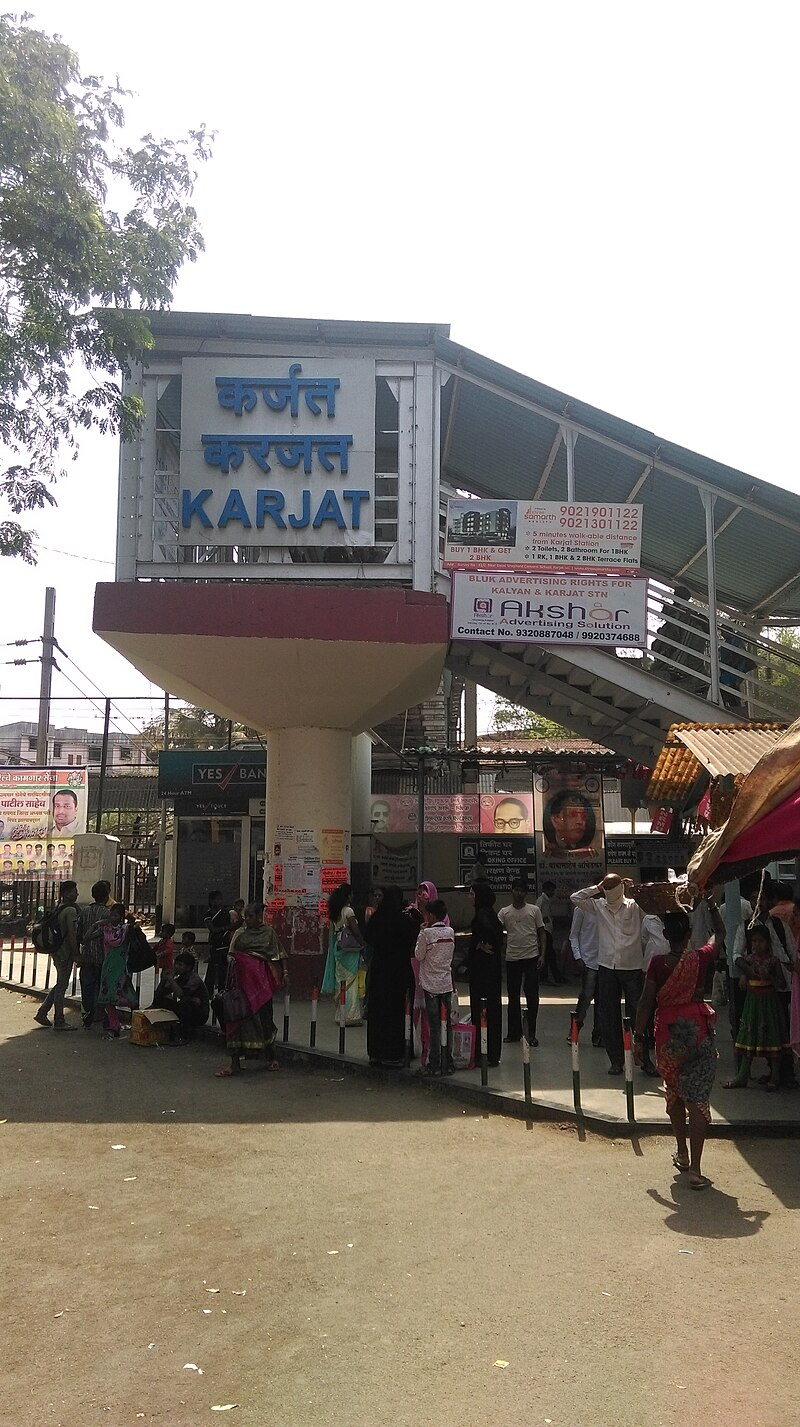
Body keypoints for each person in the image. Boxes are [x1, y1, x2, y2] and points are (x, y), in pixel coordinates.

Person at [634, 910, 718, 1189]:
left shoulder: (658, 964)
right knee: (697, 1099)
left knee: (675, 1092)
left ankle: (681, 1152)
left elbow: (646, 1001)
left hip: (667, 1036)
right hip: (698, 1033)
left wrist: (637, 1037)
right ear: (689, 934)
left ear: (666, 935)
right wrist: (712, 906)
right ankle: (695, 1168)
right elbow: (721, 935)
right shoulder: (701, 957)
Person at [570, 876, 645, 1075]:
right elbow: (575, 898)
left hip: (632, 966)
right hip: (606, 967)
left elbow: (652, 907)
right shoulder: (599, 906)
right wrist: (597, 888)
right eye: (606, 888)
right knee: (608, 1015)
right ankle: (617, 1060)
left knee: (638, 1015)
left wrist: (635, 890)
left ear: (620, 887)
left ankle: (643, 1057)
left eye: (612, 887)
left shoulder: (634, 907)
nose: (609, 891)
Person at [216, 903, 287, 1077]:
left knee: (265, 1020)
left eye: (250, 916)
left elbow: (280, 954)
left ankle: (272, 1058)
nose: (247, 920)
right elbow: (231, 955)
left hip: (261, 985)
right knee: (237, 1020)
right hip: (241, 986)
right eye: (245, 916)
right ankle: (234, 1063)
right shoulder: (240, 934)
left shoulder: (269, 933)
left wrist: (284, 973)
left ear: (259, 916)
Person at [724, 923, 788, 1092]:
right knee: (747, 1037)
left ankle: (774, 1077)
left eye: (760, 941)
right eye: (754, 941)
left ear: (768, 942)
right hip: (752, 1003)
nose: (756, 945)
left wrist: (772, 978)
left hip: (768, 1003)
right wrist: (744, 978)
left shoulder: (773, 961)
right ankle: (742, 1075)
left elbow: (781, 983)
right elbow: (742, 982)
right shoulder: (749, 960)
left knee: (773, 1037)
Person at [363, 886, 417, 1067]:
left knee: (378, 1011)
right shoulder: (404, 921)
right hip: (398, 971)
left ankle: (376, 1053)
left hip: (379, 971)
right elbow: (413, 937)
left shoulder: (377, 919)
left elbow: (368, 938)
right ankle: (394, 1052)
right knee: (396, 1012)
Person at [498, 881, 545, 1045]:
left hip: (532, 957)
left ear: (526, 893)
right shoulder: (504, 912)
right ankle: (514, 1033)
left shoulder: (534, 910)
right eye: (516, 890)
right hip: (512, 959)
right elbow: (497, 932)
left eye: (522, 890)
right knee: (512, 997)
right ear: (512, 891)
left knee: (532, 996)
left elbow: (541, 932)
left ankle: (531, 1033)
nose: (519, 893)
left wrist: (542, 954)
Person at [414, 898, 456, 1075]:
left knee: (434, 1025)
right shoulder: (450, 932)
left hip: (431, 985)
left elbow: (418, 955)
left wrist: (421, 933)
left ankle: (435, 1063)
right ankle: (449, 1061)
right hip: (446, 984)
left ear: (430, 915)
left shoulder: (426, 934)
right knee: (447, 1024)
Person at [33, 880, 80, 1031]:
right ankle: (59, 1019)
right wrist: (76, 952)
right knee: (62, 986)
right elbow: (72, 934)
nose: (77, 894)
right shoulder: (70, 911)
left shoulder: (59, 907)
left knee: (60, 983)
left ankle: (42, 1012)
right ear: (66, 894)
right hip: (64, 952)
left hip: (57, 951)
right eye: (74, 891)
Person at [469, 882, 504, 1067]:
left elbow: (489, 933)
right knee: (492, 1010)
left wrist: (480, 944)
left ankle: (482, 1051)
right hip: (491, 972)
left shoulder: (482, 915)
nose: (470, 897)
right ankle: (491, 1052)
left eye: (472, 893)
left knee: (482, 1010)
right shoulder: (491, 914)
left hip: (482, 973)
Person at [321, 881, 364, 1025]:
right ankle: (351, 1015)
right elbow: (355, 930)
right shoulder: (348, 911)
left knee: (341, 981)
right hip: (350, 949)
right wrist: (363, 943)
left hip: (338, 948)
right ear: (348, 896)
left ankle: (341, 1014)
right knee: (351, 981)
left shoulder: (335, 911)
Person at [96, 903, 137, 1040]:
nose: (112, 917)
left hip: (120, 967)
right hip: (108, 967)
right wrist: (97, 924)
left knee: (123, 996)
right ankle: (115, 1026)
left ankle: (132, 1020)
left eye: (116, 915)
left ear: (121, 916)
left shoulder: (127, 929)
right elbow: (87, 937)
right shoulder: (106, 929)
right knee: (108, 999)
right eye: (111, 914)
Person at [152, 951, 210, 1042]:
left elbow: (181, 995)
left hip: (199, 1014)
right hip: (186, 1008)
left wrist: (171, 980)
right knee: (160, 1001)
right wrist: (164, 980)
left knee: (185, 1003)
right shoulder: (180, 978)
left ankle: (185, 1035)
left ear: (188, 967)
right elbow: (161, 993)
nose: (176, 967)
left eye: (180, 965)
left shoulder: (194, 979)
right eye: (175, 964)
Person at [76, 879, 111, 1029]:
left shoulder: (84, 911)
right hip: (103, 956)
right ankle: (102, 1016)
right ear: (107, 895)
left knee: (87, 989)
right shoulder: (108, 913)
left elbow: (78, 933)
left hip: (87, 956)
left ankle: (87, 1017)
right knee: (104, 988)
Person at [569, 902, 602, 1046]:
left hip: (605, 961)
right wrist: (578, 956)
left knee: (603, 1001)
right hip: (588, 960)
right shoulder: (581, 909)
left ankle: (599, 1036)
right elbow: (574, 935)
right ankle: (574, 1030)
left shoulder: (608, 908)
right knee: (586, 998)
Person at [204, 890, 231, 1015]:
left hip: (225, 945)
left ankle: (222, 992)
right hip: (215, 946)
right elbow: (213, 930)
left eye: (221, 899)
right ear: (211, 901)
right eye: (217, 900)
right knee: (213, 969)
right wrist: (227, 928)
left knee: (223, 971)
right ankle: (208, 993)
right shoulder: (208, 914)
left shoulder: (225, 913)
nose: (220, 902)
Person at [536, 880, 566, 985]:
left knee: (549, 955)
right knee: (549, 955)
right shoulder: (541, 900)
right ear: (546, 889)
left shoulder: (547, 900)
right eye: (551, 890)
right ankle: (553, 977)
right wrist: (542, 920)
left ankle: (549, 976)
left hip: (548, 930)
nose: (553, 892)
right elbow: (537, 913)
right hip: (544, 931)